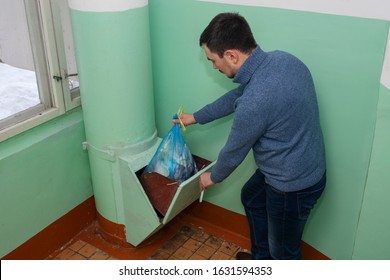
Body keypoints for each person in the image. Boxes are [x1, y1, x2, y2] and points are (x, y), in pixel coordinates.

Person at [173, 12, 326, 260]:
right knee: (252, 198)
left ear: (231, 55)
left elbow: (234, 150)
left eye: (213, 60)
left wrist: (212, 177)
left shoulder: (256, 100)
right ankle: (260, 261)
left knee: (284, 254)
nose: (213, 66)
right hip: (301, 165)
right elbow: (237, 98)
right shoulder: (282, 60)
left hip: (292, 187)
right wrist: (196, 117)